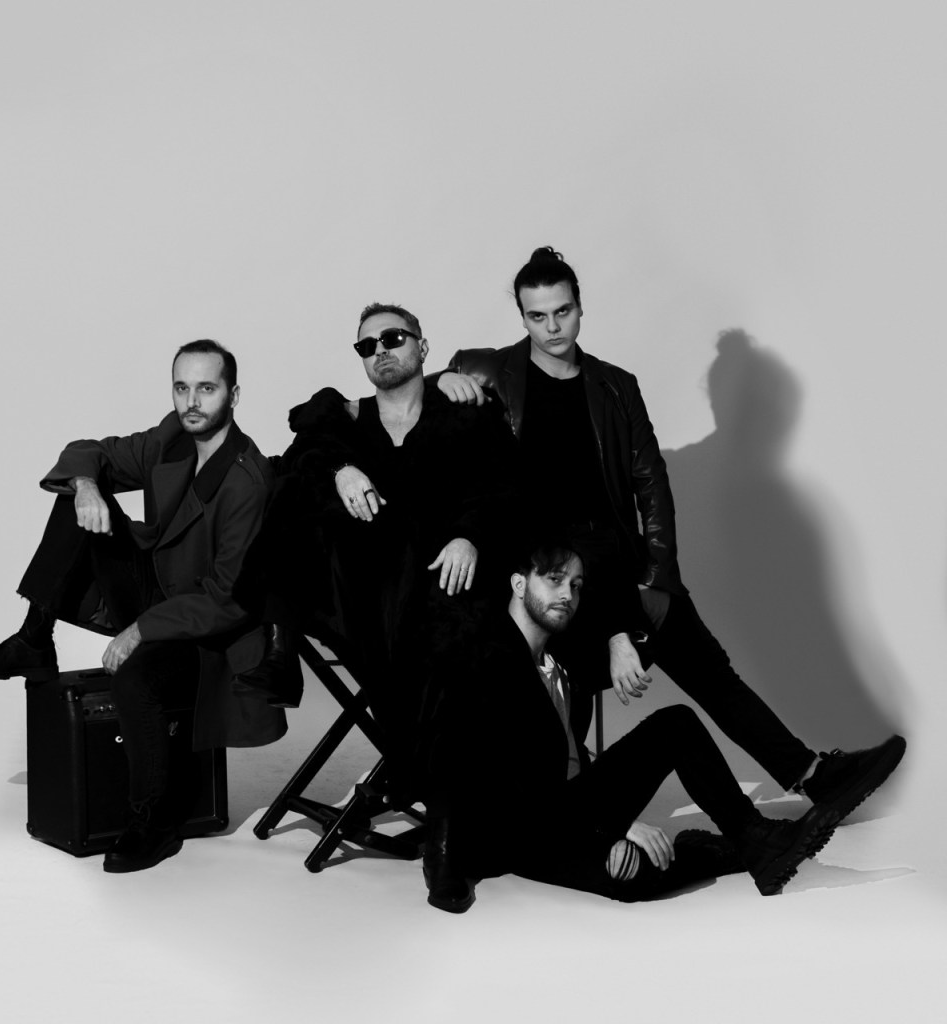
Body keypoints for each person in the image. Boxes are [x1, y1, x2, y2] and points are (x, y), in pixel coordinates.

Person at [435, 247, 904, 831]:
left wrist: (656, 578)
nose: (552, 328)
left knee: (710, 669)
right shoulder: (489, 372)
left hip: (613, 560)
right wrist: (443, 379)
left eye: (563, 312)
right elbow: (418, 402)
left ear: (580, 307)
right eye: (537, 316)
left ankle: (812, 776)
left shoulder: (614, 386)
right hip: (543, 573)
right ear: (522, 316)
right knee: (571, 667)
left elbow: (650, 484)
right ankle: (565, 812)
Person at [0, 339, 287, 872]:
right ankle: (33, 639)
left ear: (233, 394)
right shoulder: (172, 437)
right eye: (182, 388)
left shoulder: (248, 481)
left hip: (210, 633)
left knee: (135, 679)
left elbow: (228, 600)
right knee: (74, 499)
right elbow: (92, 450)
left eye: (207, 388)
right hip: (158, 589)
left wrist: (138, 631)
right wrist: (87, 485)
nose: (192, 402)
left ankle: (154, 823)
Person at [426, 540, 846, 913]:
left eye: (576, 585)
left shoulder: (560, 662)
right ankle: (716, 852)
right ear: (519, 584)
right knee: (631, 873)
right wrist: (609, 828)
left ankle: (753, 837)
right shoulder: (484, 657)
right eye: (554, 580)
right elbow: (504, 785)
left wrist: (617, 640)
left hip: (571, 802)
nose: (568, 595)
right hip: (524, 830)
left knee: (676, 723)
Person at [250, 302, 520, 778]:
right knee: (293, 485)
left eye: (393, 338)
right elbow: (301, 451)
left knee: (438, 634)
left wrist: (468, 537)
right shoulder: (347, 418)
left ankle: (414, 768)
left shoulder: (463, 413)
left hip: (441, 581)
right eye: (366, 345)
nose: (380, 351)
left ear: (423, 347)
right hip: (359, 589)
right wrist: (341, 469)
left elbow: (502, 487)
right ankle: (280, 649)